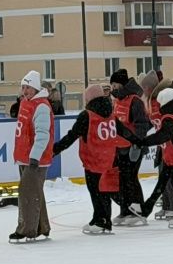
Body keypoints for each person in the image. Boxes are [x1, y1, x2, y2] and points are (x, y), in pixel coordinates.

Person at [52, 84, 123, 235]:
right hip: (109, 159)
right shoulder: (111, 113)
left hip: (93, 159)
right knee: (104, 190)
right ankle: (102, 219)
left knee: (96, 191)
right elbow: (123, 132)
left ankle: (101, 221)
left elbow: (72, 136)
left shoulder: (87, 115)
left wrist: (54, 150)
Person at [124, 86, 173, 228]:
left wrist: (142, 142)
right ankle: (146, 209)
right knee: (162, 183)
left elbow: (161, 136)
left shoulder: (170, 119)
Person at [8, 70, 54, 243]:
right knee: (35, 192)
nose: (25, 90)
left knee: (27, 192)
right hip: (24, 157)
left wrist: (34, 157)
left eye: (28, 87)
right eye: (23, 87)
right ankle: (42, 226)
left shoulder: (41, 106)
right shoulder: (26, 103)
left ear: (35, 88)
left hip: (35, 159)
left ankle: (26, 230)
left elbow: (43, 134)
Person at [109, 69, 150, 227]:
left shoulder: (135, 101)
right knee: (122, 179)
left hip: (133, 147)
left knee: (131, 178)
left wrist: (136, 143)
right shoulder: (117, 100)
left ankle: (138, 210)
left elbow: (142, 124)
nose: (112, 88)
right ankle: (125, 210)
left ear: (122, 84)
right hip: (119, 147)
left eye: (115, 84)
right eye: (111, 85)